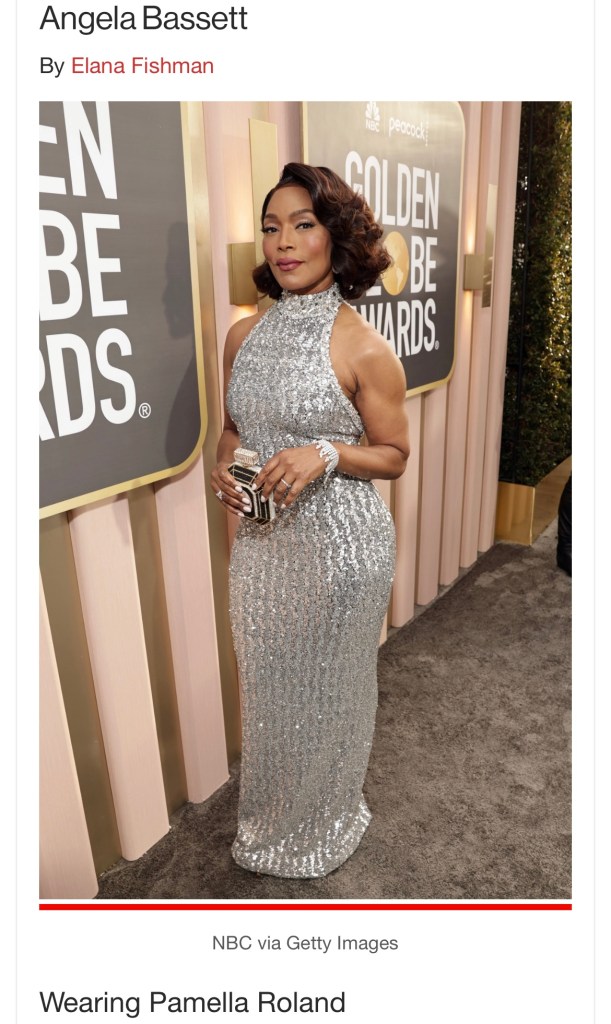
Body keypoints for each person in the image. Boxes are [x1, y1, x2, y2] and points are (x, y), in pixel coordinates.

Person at [210, 162, 410, 878]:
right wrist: (227, 470)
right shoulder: (241, 336)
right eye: (271, 228)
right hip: (263, 547)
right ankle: (271, 822)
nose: (284, 243)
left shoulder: (363, 346)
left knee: (330, 694)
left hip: (340, 551)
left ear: (336, 237)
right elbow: (233, 431)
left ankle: (325, 821)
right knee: (269, 690)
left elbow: (393, 456)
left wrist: (326, 453)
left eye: (303, 225)